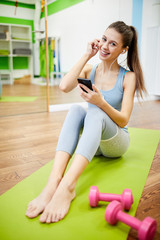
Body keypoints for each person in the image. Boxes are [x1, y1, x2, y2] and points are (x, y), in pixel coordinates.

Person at [26, 21, 146, 223]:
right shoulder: (90, 69)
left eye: (113, 44)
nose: (105, 46)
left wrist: (102, 103)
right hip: (94, 143)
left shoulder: (129, 77)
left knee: (96, 113)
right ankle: (54, 181)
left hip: (116, 142)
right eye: (104, 39)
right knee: (75, 109)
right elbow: (64, 86)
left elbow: (124, 119)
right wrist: (87, 55)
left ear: (124, 49)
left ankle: (68, 187)